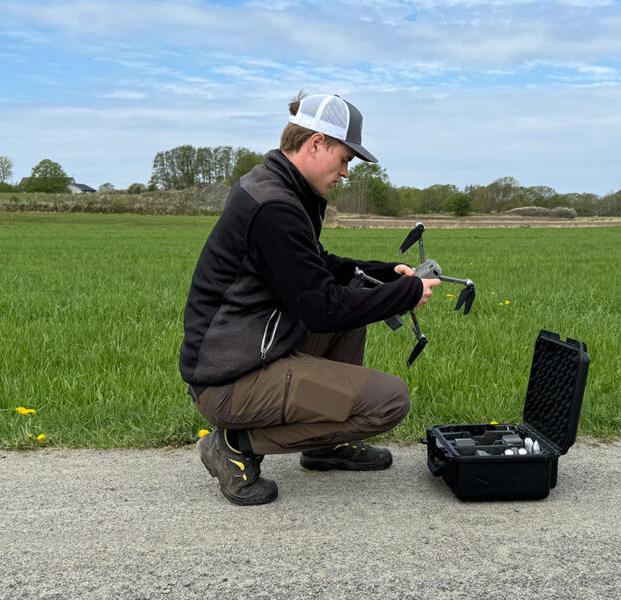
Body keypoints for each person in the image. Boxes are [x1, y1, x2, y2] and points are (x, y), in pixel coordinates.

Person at [179, 92, 442, 505]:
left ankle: (324, 446)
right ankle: (233, 444)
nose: (346, 172)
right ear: (316, 143)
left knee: (353, 301)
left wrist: (383, 272)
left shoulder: (279, 189)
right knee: (389, 402)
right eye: (345, 159)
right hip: (228, 380)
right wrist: (404, 294)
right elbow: (320, 308)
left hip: (250, 352)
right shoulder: (273, 206)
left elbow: (316, 265)